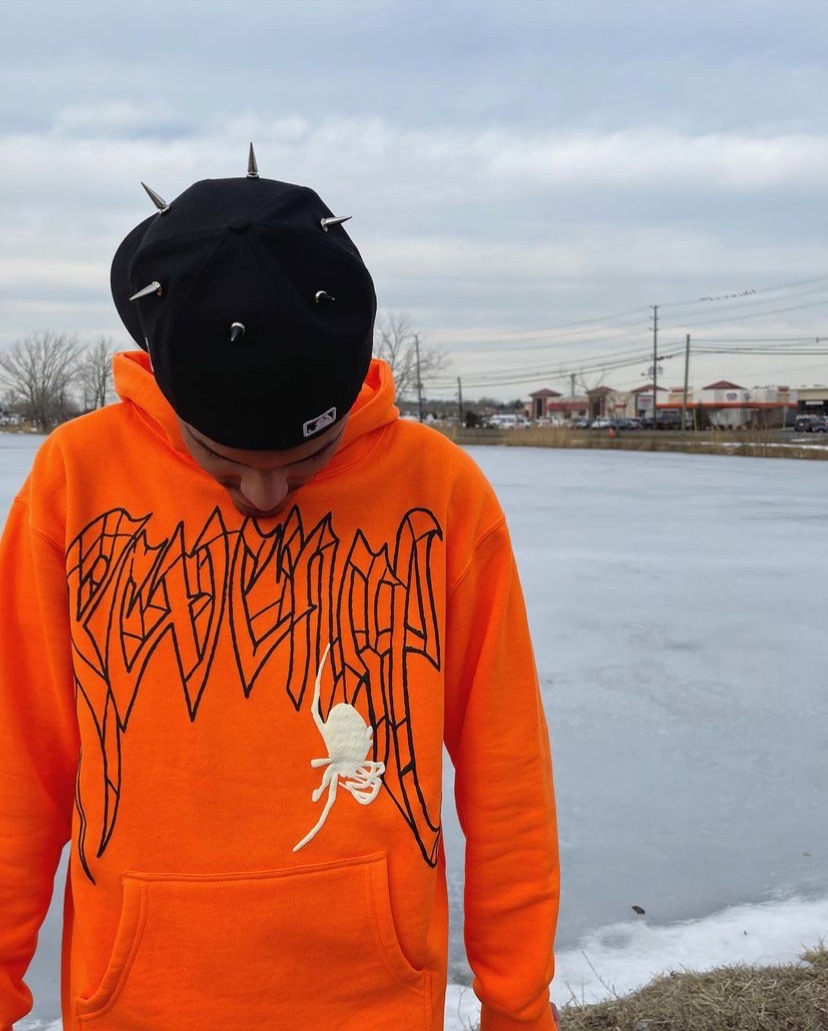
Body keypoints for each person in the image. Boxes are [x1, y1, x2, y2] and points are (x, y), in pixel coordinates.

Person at [0, 149, 560, 1031]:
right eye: (225, 464)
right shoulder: (76, 482)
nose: (265, 497)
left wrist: (517, 1007)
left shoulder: (441, 494)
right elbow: (17, 765)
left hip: (375, 1004)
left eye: (306, 462)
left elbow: (507, 772)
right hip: (138, 1002)